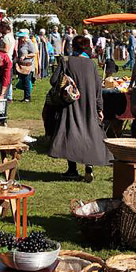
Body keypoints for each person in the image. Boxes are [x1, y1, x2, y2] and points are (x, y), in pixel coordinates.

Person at [49, 36, 113, 181]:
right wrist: (99, 108)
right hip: (89, 105)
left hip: (70, 103)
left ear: (73, 46)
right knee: (89, 133)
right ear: (86, 47)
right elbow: (98, 88)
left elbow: (53, 80)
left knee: (71, 134)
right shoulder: (91, 64)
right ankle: (88, 166)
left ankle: (72, 170)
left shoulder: (66, 61)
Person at [15, 29, 35, 102]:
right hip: (21, 65)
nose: (20, 38)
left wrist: (25, 56)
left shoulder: (29, 42)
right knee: (23, 81)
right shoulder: (20, 43)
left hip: (27, 65)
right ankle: (25, 96)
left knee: (26, 81)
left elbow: (34, 53)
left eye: (21, 37)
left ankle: (27, 97)